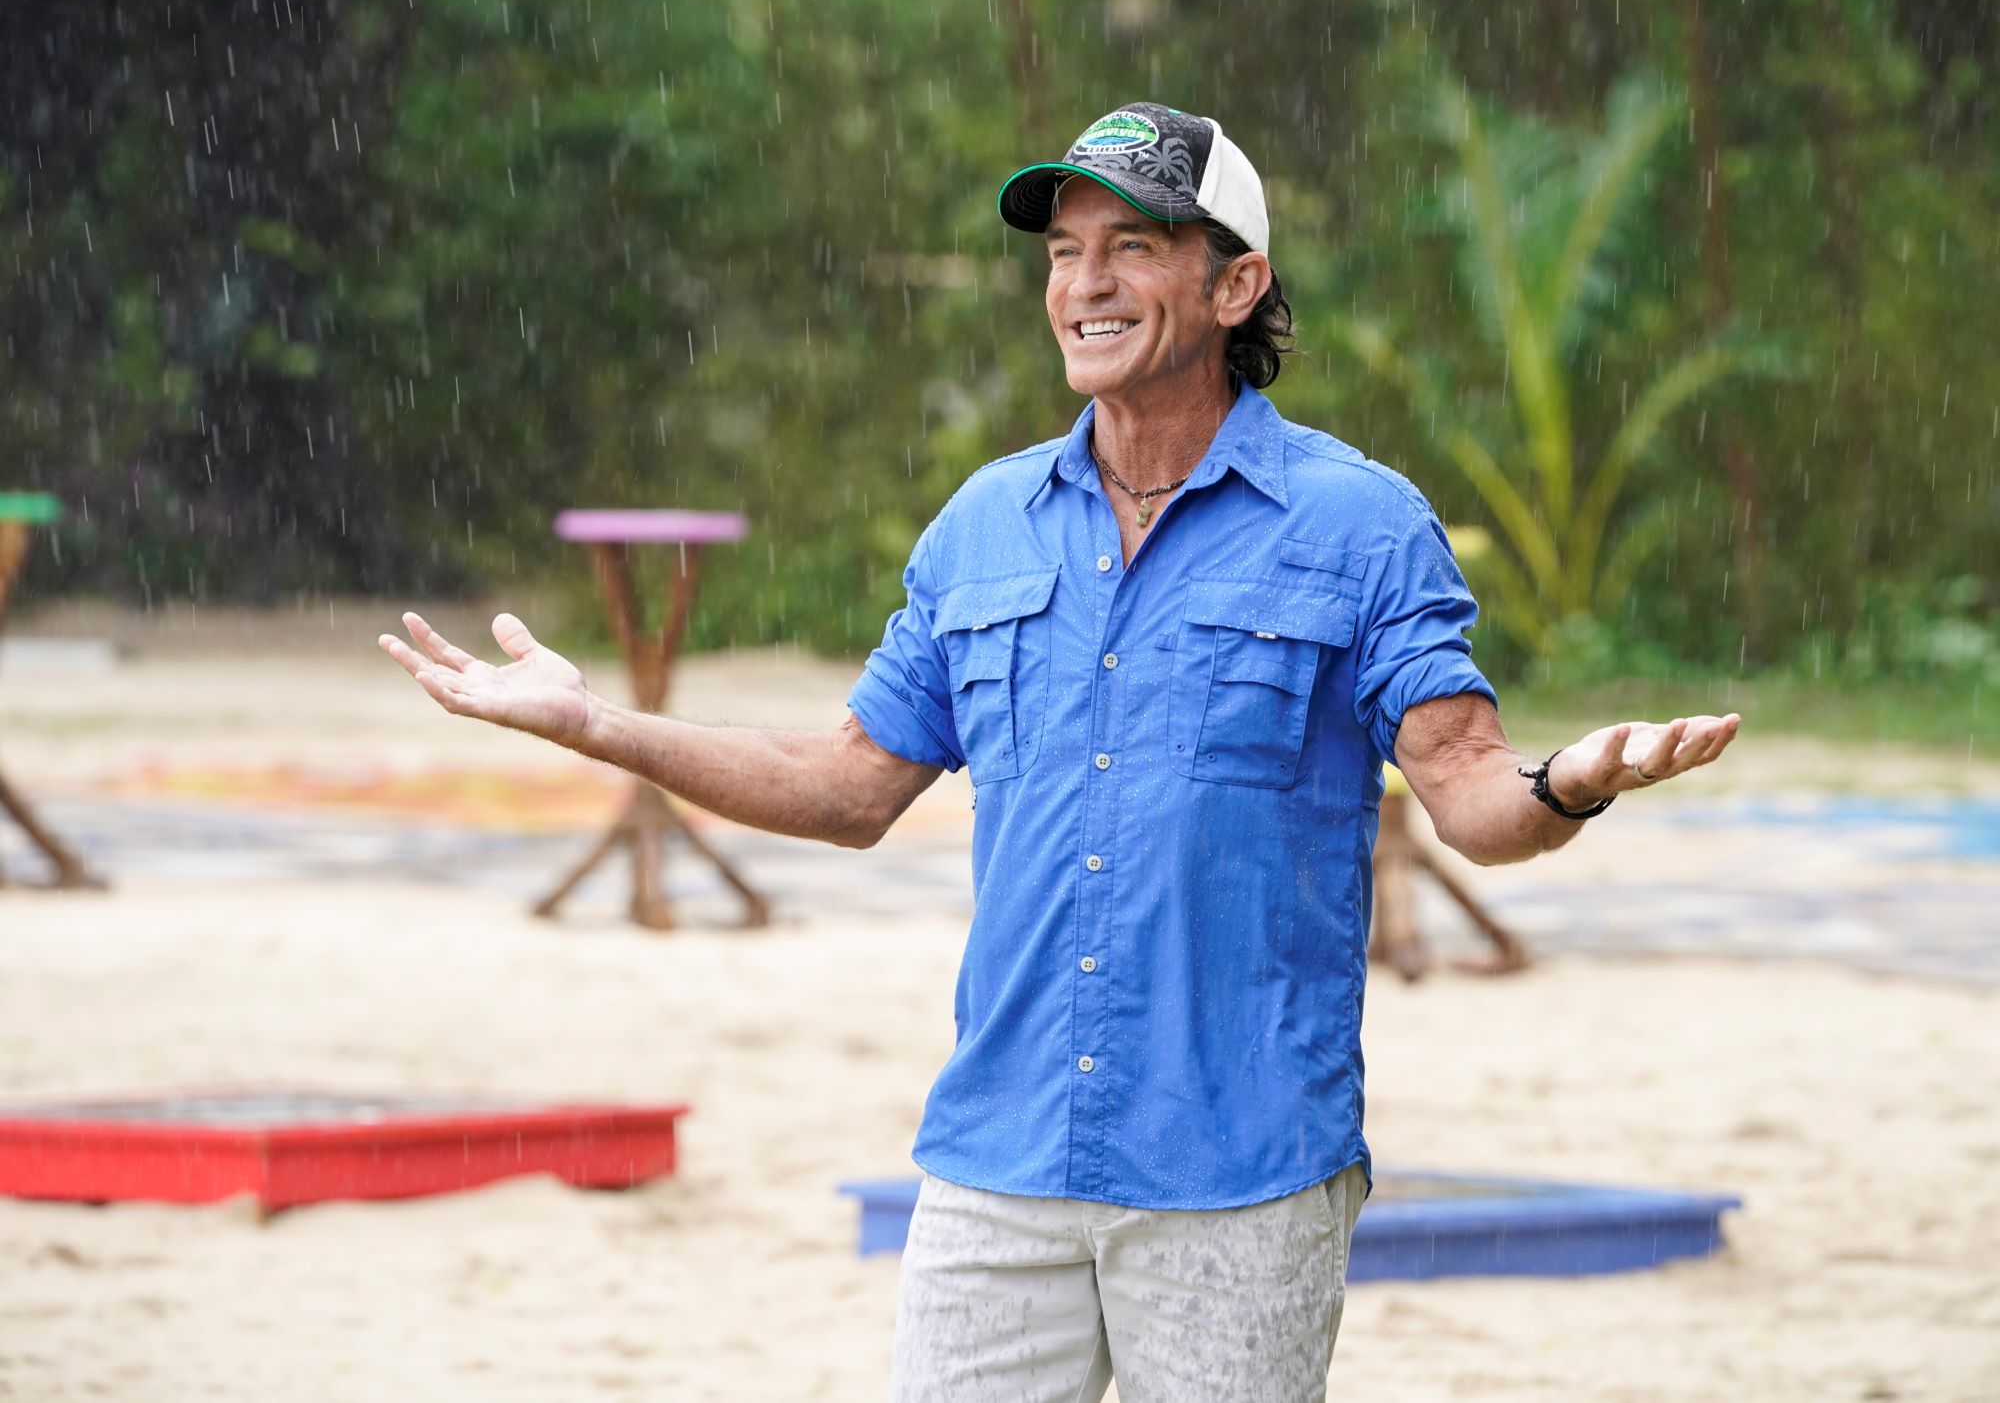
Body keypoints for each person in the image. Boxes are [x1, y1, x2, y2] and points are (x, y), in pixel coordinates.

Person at [379, 101, 1740, 1402]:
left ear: (1235, 285)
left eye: (1132, 246)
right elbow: (850, 787)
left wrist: (1572, 785)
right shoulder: (982, 527)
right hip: (996, 1162)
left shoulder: (1362, 525)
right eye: (1063, 252)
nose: (1084, 282)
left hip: (1243, 1171)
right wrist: (595, 722)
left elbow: (1473, 799)